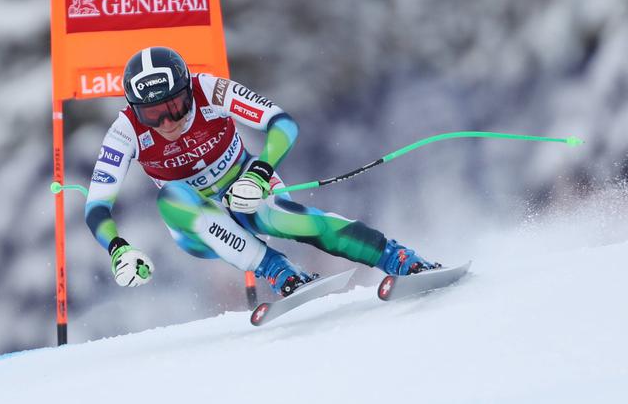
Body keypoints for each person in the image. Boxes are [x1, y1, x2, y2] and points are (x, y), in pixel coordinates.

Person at [85, 46, 439, 296]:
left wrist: (259, 172)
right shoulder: (125, 130)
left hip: (244, 185)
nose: (166, 122)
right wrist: (118, 249)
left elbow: (282, 124)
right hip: (197, 225)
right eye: (152, 114)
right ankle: (277, 269)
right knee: (171, 197)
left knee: (290, 221)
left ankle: (397, 257)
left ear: (187, 91)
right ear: (135, 109)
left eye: (175, 107)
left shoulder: (209, 89)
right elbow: (96, 206)